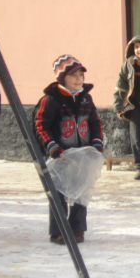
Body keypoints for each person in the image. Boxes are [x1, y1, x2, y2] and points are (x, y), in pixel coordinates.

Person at [34, 55, 104, 244]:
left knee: (82, 192)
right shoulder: (50, 100)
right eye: (73, 75)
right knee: (58, 194)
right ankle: (58, 230)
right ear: (62, 77)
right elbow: (41, 125)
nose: (79, 79)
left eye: (81, 74)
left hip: (83, 156)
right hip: (60, 157)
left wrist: (97, 144)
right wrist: (52, 146)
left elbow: (95, 122)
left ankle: (77, 228)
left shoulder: (85, 98)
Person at [113, 34, 140, 180]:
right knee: (137, 139)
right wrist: (118, 105)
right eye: (136, 47)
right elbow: (121, 85)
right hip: (135, 106)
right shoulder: (128, 65)